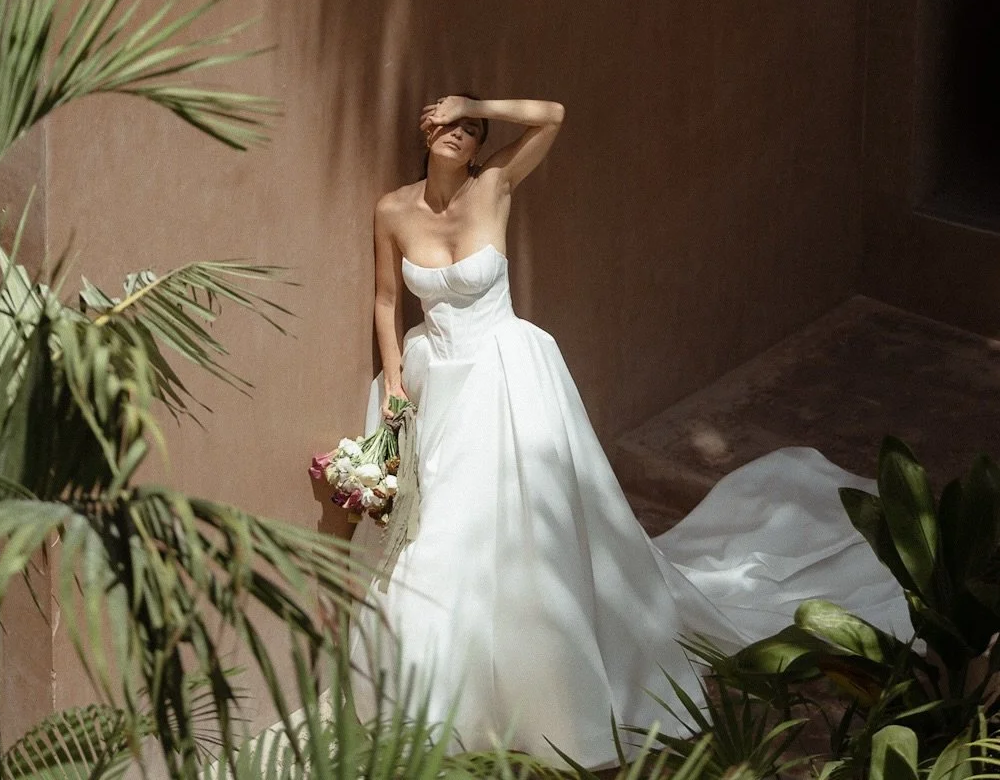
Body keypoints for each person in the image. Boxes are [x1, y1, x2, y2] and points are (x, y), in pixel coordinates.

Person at [349, 95, 910, 767]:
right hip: (434, 377)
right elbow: (386, 300)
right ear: (427, 128)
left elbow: (553, 114)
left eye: (472, 130)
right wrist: (395, 385)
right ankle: (440, 692)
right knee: (437, 527)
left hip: (506, 374)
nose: (461, 136)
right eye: (451, 124)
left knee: (521, 526)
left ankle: (545, 685)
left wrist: (480, 101)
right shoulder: (392, 208)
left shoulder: (494, 185)